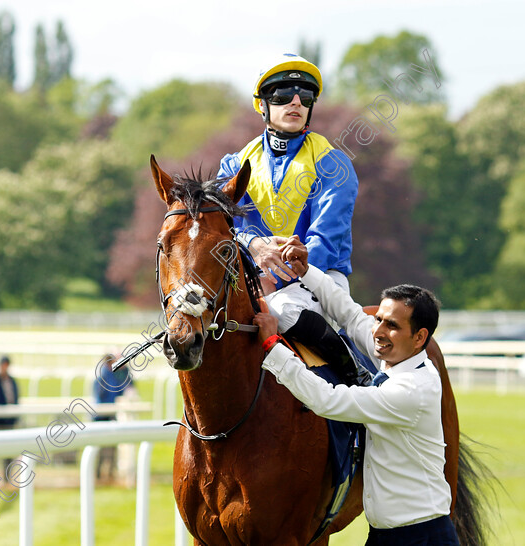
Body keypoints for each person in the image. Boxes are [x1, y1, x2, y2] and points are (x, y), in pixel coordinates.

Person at [252, 238, 458, 545]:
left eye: (392, 325)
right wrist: (306, 272)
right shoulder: (400, 355)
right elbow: (349, 313)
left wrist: (273, 347)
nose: (378, 331)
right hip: (385, 535)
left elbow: (327, 400)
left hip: (420, 537)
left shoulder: (410, 390)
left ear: (420, 337)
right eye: (379, 320)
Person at [217, 53, 367, 385]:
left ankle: (357, 373)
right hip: (254, 279)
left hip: (319, 279)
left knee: (283, 311)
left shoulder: (334, 163)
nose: (295, 102)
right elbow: (223, 228)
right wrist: (254, 245)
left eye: (305, 96)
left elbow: (325, 240)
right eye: (283, 95)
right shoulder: (233, 166)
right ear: (262, 105)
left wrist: (280, 271)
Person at [93, 352, 134, 479]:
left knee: (110, 446)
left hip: (109, 414)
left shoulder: (111, 375)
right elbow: (102, 397)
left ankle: (108, 472)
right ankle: (100, 473)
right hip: (101, 416)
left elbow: (121, 389)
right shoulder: (103, 377)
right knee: (101, 447)